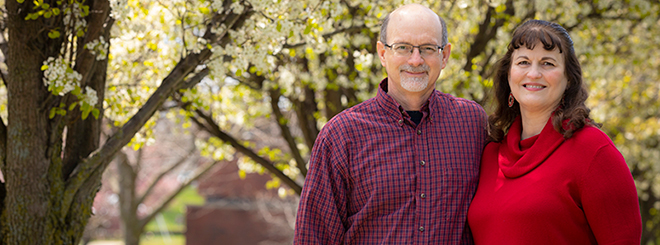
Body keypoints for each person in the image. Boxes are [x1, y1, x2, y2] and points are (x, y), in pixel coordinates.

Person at [294, 4, 488, 244]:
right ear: (383, 53)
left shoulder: (472, 124)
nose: (415, 60)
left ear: (444, 55)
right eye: (402, 48)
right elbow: (314, 236)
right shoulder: (342, 135)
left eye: (428, 48)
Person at [467, 19, 642, 244]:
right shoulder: (490, 154)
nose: (533, 73)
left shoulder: (593, 151)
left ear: (569, 79)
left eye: (547, 63)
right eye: (523, 62)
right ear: (508, 75)